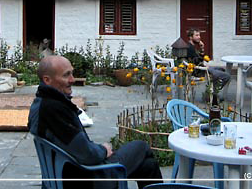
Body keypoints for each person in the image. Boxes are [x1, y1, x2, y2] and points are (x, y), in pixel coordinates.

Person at [28, 55, 162, 189]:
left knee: (149, 166)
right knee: (141, 146)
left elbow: (77, 146)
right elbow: (87, 154)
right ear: (47, 80)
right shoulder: (54, 110)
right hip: (87, 177)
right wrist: (103, 150)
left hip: (68, 172)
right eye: (66, 75)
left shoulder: (40, 102)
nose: (72, 79)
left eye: (72, 73)